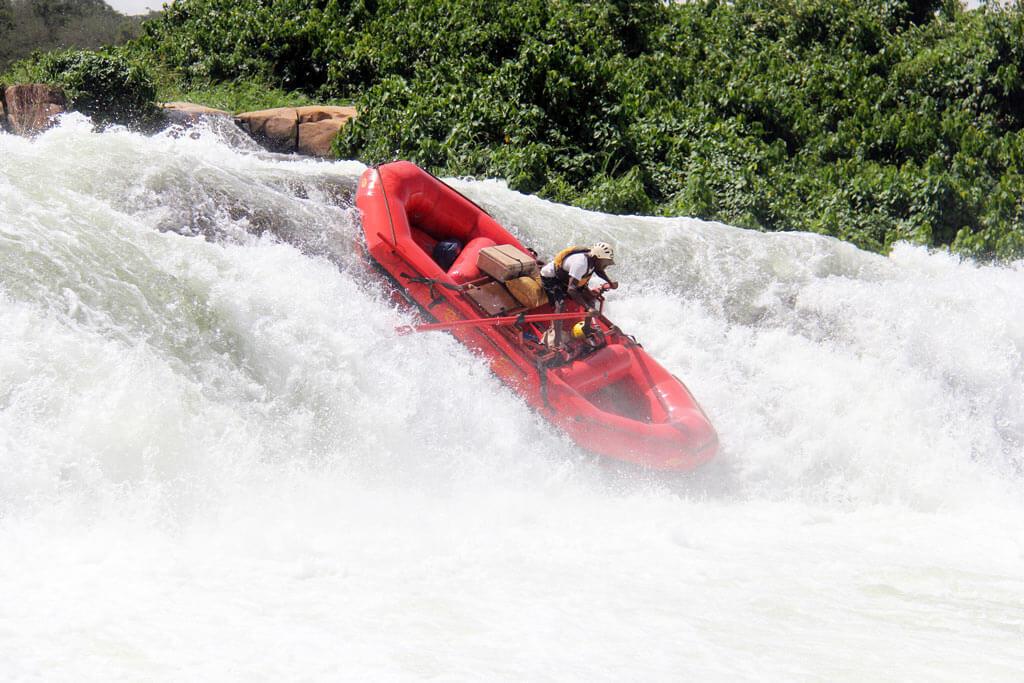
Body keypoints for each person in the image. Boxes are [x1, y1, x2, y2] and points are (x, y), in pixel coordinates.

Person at [540, 242, 619, 347]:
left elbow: (599, 271)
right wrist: (587, 308)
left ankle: (586, 328)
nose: (607, 265)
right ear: (597, 258)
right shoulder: (581, 263)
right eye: (605, 262)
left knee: (591, 298)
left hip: (566, 278)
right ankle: (556, 340)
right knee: (561, 305)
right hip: (552, 279)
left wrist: (610, 282)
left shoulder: (593, 261)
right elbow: (571, 289)